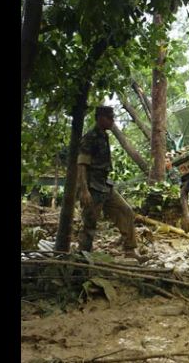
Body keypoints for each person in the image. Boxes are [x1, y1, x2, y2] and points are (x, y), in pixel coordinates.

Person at [77, 106, 146, 261]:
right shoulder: (90, 137)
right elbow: (82, 164)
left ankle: (130, 251)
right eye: (110, 118)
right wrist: (84, 190)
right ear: (101, 118)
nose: (113, 121)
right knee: (90, 223)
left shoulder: (103, 135)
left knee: (126, 211)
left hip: (104, 185)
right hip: (92, 186)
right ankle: (82, 258)